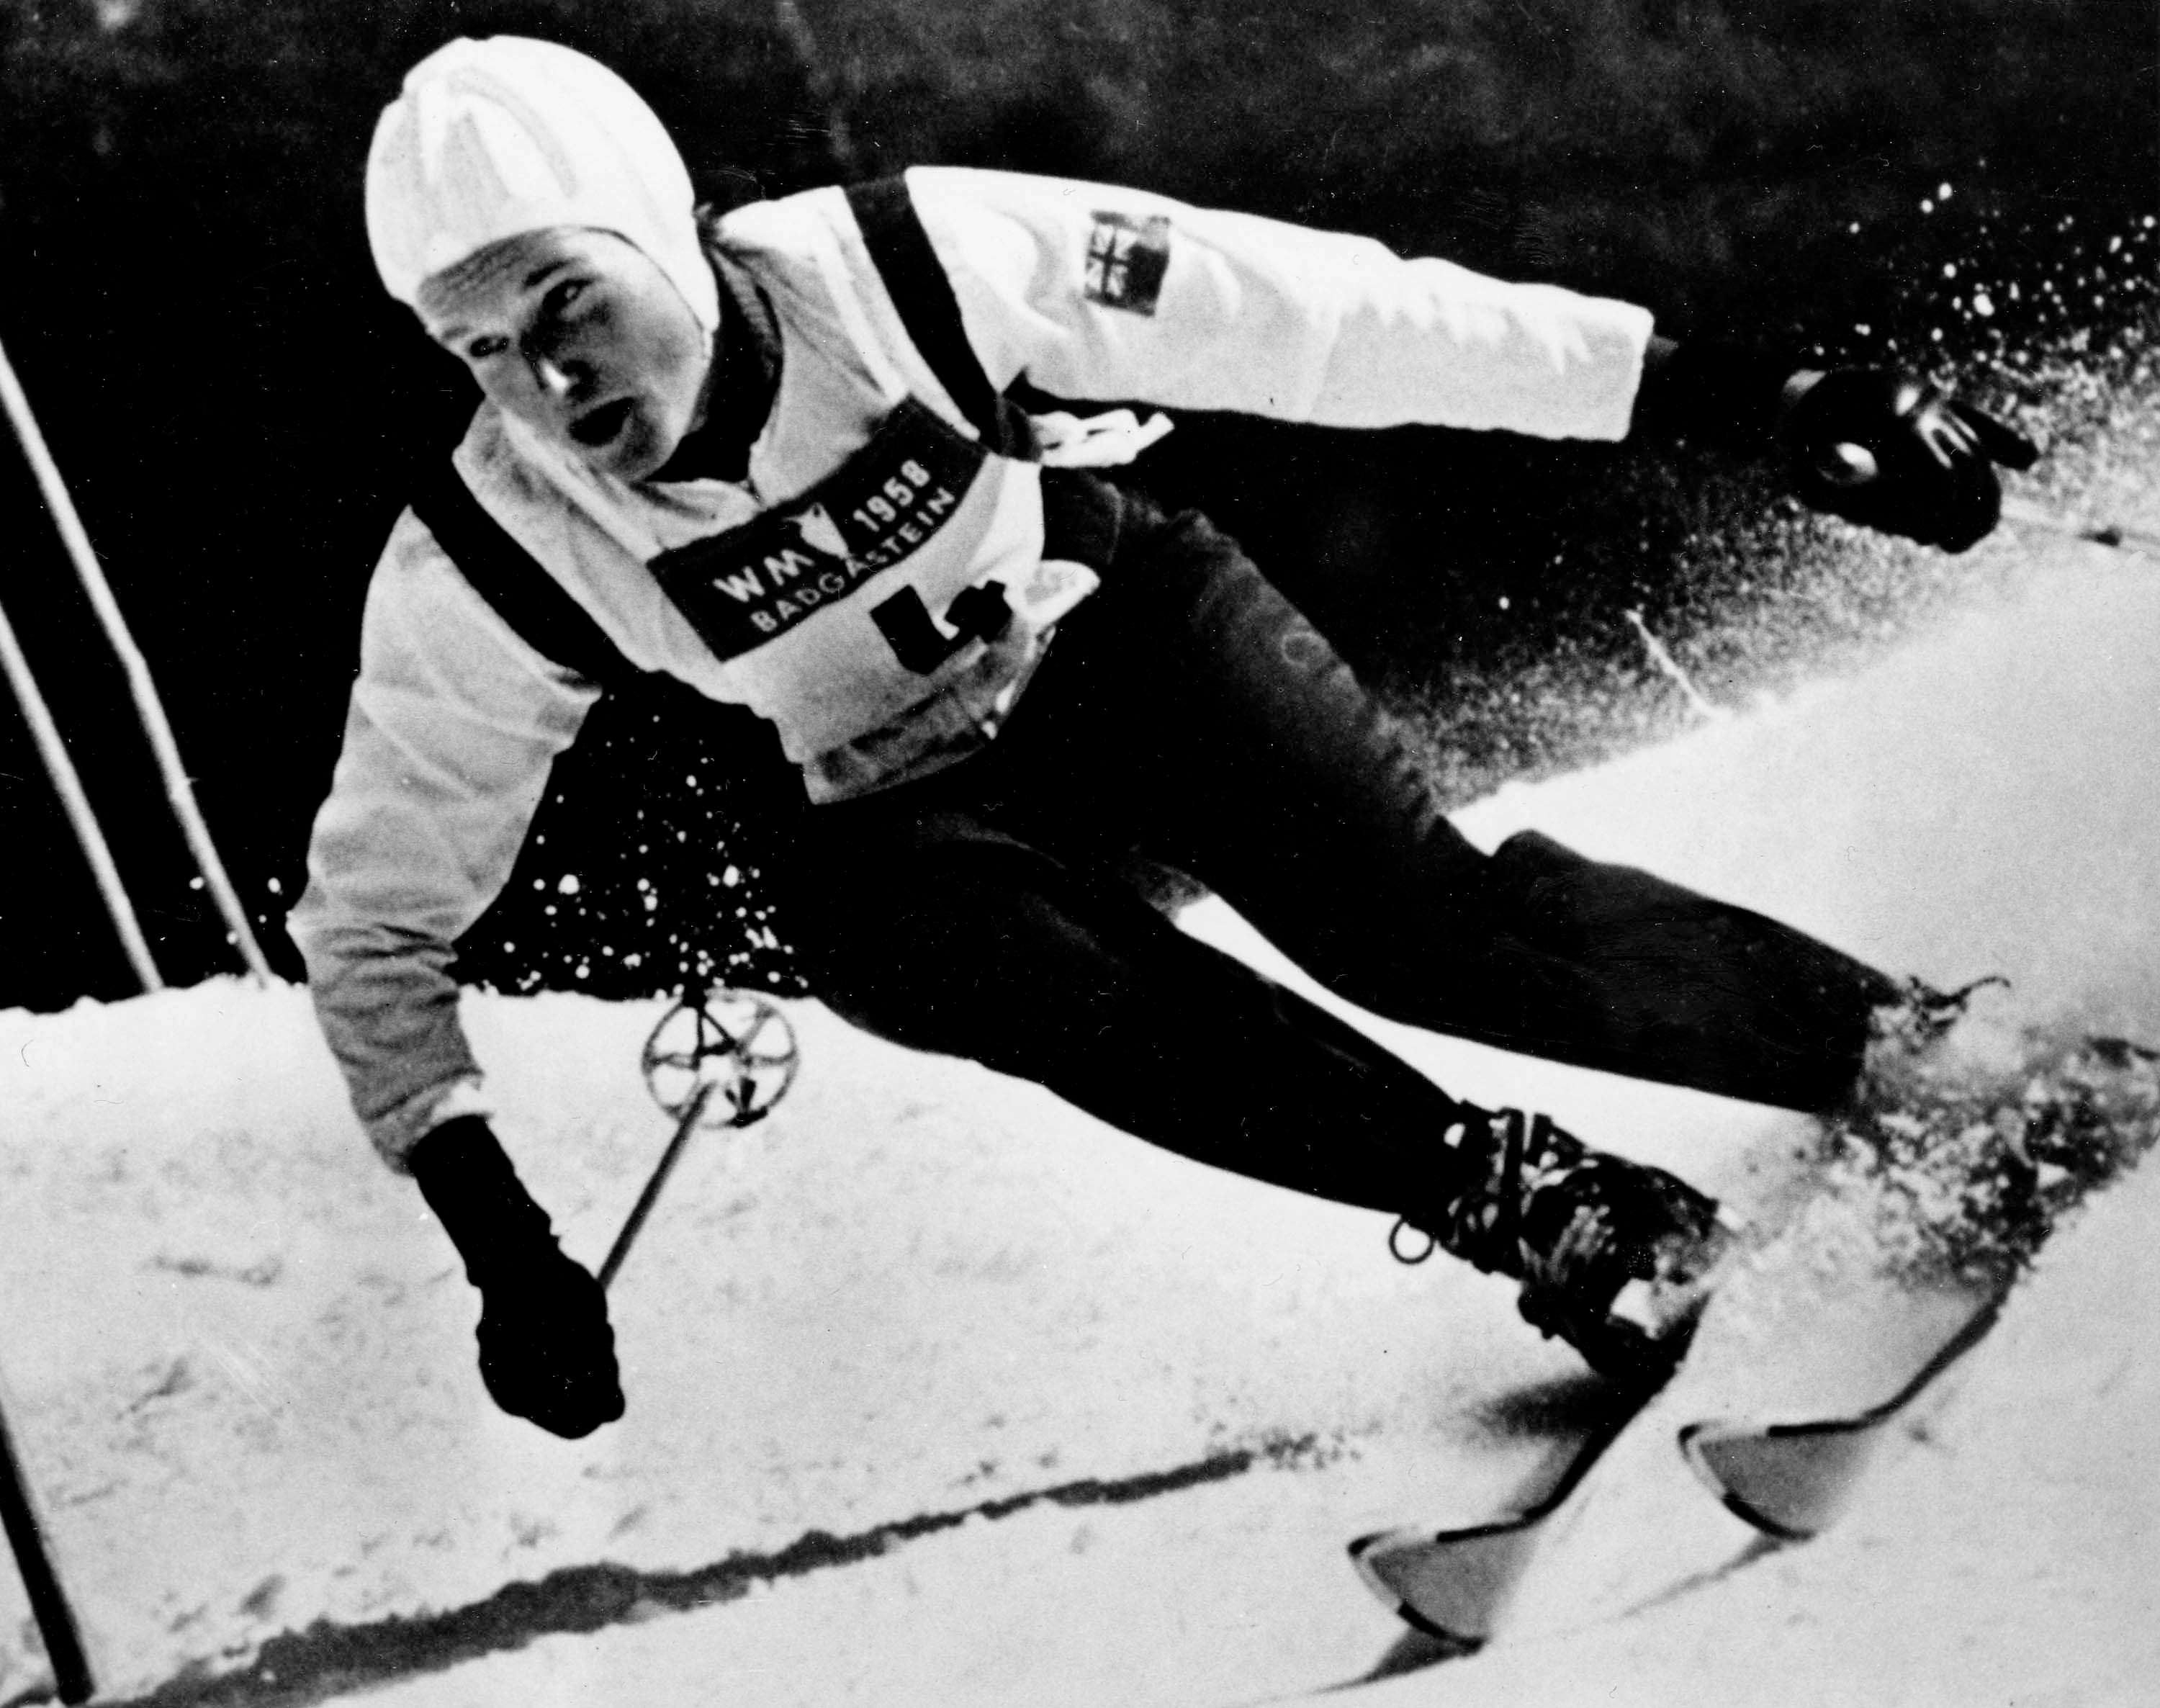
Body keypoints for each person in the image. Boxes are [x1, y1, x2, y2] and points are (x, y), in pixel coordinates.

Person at [292, 35, 2038, 1440]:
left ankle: (1908, 1052)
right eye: (480, 349)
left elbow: (1331, 316)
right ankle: (1556, 1214)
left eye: (567, 301)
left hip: (1113, 629)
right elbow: (373, 917)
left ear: (661, 228)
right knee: (910, 942)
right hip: (899, 804)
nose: (548, 387)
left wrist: (1756, 398)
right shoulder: (492, 545)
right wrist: (500, 1245)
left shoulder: (914, 265)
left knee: (1429, 936)